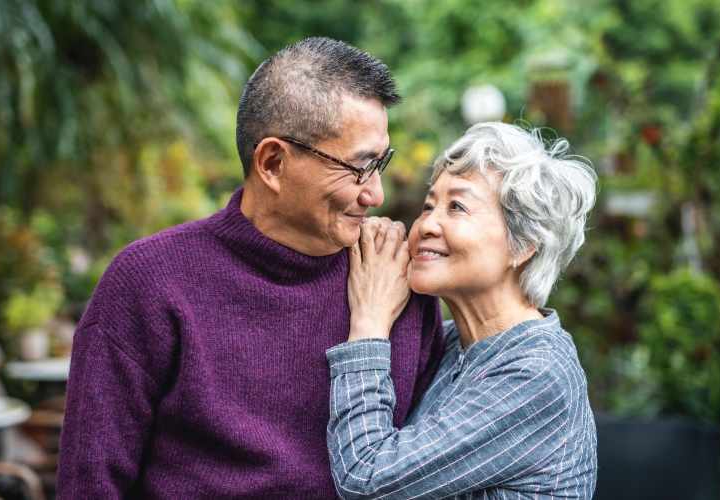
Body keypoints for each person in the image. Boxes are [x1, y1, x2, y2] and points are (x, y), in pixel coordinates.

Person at [57, 37, 446, 499]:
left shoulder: (396, 279)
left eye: (380, 162)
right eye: (359, 168)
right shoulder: (149, 283)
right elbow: (91, 484)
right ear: (273, 163)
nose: (376, 194)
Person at [327, 122, 599, 499]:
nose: (426, 225)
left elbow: (367, 478)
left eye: (456, 206)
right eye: (428, 205)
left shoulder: (537, 372)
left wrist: (369, 324)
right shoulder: (457, 344)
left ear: (523, 245)